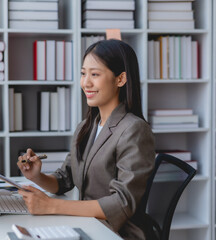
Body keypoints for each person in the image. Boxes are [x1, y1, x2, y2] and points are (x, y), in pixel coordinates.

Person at [17, 39, 155, 239]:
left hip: (117, 233)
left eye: (95, 74)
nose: (86, 83)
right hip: (86, 225)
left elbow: (122, 203)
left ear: (120, 79)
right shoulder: (86, 126)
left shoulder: (135, 130)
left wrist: (51, 206)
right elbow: (65, 180)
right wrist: (37, 176)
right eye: (83, 74)